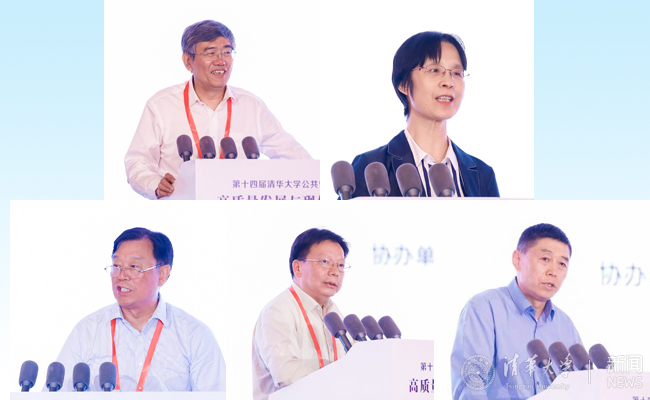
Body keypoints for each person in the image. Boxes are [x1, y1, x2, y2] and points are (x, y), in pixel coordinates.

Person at [125, 20, 312, 199]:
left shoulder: (252, 106)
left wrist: (313, 178)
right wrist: (156, 185)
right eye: (210, 53)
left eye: (227, 52)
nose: (221, 61)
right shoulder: (161, 105)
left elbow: (293, 156)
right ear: (188, 61)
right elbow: (137, 162)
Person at [52, 228, 226, 391]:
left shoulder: (194, 336)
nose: (121, 275)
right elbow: (54, 394)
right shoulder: (87, 331)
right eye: (116, 266)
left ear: (162, 274)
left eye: (134, 267)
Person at [350, 31, 498, 197]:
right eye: (434, 70)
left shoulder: (483, 175)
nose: (448, 82)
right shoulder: (371, 167)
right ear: (403, 84)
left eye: (456, 73)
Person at [451, 223, 582, 399]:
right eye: (545, 259)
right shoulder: (484, 309)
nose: (554, 272)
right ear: (517, 259)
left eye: (562, 264)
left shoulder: (565, 326)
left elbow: (580, 388)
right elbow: (471, 387)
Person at [252, 228, 352, 400]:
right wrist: (338, 386)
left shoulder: (335, 314)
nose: (335, 271)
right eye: (325, 262)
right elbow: (286, 373)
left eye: (341, 265)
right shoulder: (278, 311)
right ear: (297, 267)